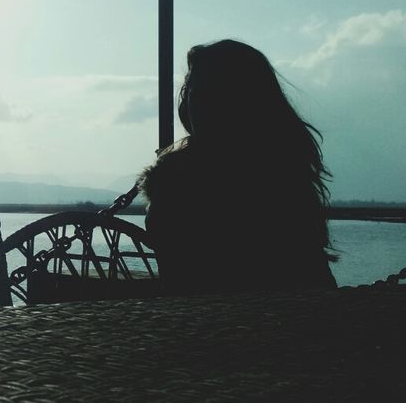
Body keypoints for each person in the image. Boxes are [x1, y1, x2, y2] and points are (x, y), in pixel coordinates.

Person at [138, 39, 337, 293]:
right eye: (195, 94)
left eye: (211, 95)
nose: (199, 107)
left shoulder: (176, 178)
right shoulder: (283, 173)